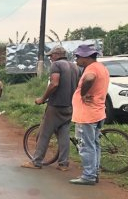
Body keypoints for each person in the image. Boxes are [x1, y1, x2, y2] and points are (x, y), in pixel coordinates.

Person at [21, 45, 78, 172]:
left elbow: (54, 83)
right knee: (64, 134)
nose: (50, 58)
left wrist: (42, 98)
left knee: (44, 133)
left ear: (57, 55)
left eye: (51, 55)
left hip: (56, 105)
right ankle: (63, 164)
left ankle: (36, 161)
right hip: (69, 106)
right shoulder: (74, 66)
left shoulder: (56, 65)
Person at [69, 43, 110, 185]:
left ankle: (88, 176)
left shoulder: (91, 69)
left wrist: (83, 93)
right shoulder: (102, 68)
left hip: (87, 115)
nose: (76, 59)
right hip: (98, 112)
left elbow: (89, 78)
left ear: (85, 57)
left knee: (86, 145)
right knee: (94, 144)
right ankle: (94, 172)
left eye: (78, 57)